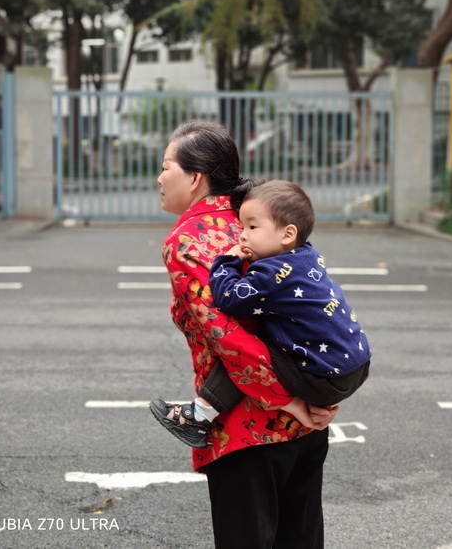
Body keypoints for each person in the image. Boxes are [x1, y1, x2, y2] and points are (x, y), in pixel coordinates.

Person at [149, 120, 338, 548]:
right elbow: (317, 305)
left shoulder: (188, 240)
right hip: (308, 422)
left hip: (248, 428)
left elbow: (229, 339)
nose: (159, 178)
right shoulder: (258, 217)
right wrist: (321, 394)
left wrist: (292, 401)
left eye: (166, 166)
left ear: (195, 178)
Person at [153, 179, 371, 448]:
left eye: (252, 227)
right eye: (242, 226)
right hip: (354, 363)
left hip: (325, 375)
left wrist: (228, 259)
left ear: (287, 234)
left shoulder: (271, 274)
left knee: (246, 346)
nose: (241, 235)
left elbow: (229, 298)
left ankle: (201, 415)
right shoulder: (306, 255)